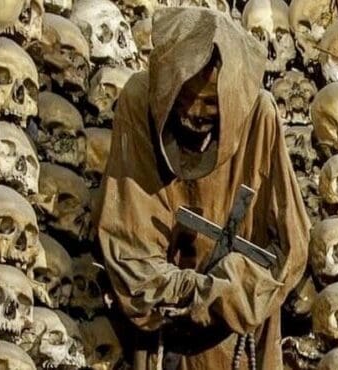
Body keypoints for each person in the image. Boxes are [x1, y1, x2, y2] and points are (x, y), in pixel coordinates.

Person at [97, 7, 309, 370]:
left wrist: (232, 292)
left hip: (237, 339)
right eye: (183, 96)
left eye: (210, 102)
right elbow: (127, 240)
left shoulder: (259, 116)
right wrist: (189, 294)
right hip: (162, 333)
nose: (193, 112)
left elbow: (290, 249)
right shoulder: (140, 101)